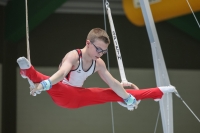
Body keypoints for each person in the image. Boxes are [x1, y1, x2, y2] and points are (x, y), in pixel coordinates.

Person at [17, 28, 177, 110]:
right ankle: (28, 71)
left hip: (79, 97)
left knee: (114, 93)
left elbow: (113, 83)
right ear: (88, 43)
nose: (100, 53)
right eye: (98, 49)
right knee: (48, 80)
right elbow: (61, 74)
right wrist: (46, 85)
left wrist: (127, 98)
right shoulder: (73, 56)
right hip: (62, 93)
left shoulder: (98, 63)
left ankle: (159, 92)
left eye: (104, 51)